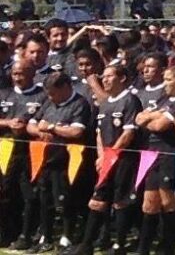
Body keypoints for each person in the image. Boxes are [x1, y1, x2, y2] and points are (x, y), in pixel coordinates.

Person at [71, 65, 143, 255]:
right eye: (104, 76)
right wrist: (102, 155)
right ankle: (86, 244)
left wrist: (112, 155)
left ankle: (119, 245)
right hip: (107, 159)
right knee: (97, 200)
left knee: (120, 201)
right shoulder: (105, 103)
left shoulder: (130, 100)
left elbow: (128, 134)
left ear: (123, 78)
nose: (105, 79)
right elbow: (99, 133)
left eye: (110, 76)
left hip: (125, 159)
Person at [134, 61, 175, 255]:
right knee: (149, 203)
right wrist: (150, 117)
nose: (165, 83)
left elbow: (159, 125)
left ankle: (167, 247)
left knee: (169, 202)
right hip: (153, 154)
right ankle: (143, 248)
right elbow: (139, 117)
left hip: (172, 155)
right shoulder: (165, 100)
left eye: (169, 79)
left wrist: (148, 119)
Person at [27, 72, 92, 254]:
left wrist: (52, 128)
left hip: (67, 162)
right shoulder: (50, 103)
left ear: (65, 88)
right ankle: (45, 237)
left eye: (53, 92)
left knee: (65, 202)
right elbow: (31, 125)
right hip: (46, 160)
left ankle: (67, 237)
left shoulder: (79, 104)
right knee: (44, 199)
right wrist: (39, 132)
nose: (50, 97)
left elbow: (76, 132)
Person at [0, 60, 47, 249]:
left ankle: (27, 233)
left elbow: (46, 119)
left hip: (31, 150)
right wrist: (8, 123)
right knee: (4, 192)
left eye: (22, 73)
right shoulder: (4, 94)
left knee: (29, 194)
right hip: (5, 149)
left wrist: (28, 127)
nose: (18, 77)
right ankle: (5, 233)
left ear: (32, 73)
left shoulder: (42, 96)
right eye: (15, 74)